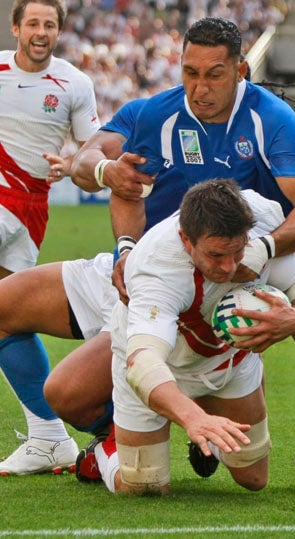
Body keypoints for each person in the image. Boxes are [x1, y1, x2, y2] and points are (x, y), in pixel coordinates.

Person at [70, 17, 295, 494]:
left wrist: (266, 254)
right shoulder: (155, 114)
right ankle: (168, 427)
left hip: (278, 241)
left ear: (241, 69)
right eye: (190, 72)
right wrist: (105, 176)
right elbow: (88, 162)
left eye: (214, 74)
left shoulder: (271, 116)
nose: (200, 87)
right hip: (189, 256)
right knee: (77, 385)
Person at [80, 179, 295, 495]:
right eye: (216, 255)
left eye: (237, 252)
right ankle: (105, 450)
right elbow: (143, 364)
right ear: (186, 239)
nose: (229, 266)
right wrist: (195, 419)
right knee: (143, 487)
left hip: (227, 360)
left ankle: (211, 428)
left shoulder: (261, 216)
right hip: (157, 367)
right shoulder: (157, 268)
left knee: (254, 479)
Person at [0, 0, 100, 474]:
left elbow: (93, 154)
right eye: (33, 23)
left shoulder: (75, 84)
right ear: (16, 27)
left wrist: (77, 168)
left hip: (27, 207)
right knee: (6, 318)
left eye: (50, 25)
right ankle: (48, 438)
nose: (41, 32)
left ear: (58, 31)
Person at [0, 251, 118, 475]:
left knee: (65, 392)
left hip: (163, 284)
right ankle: (48, 439)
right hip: (115, 269)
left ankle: (121, 433)